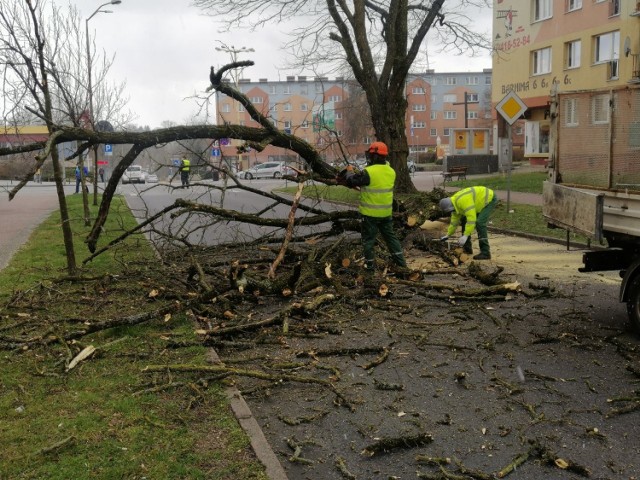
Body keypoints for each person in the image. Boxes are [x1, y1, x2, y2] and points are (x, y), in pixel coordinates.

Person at [338, 141, 407, 275]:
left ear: (375, 156)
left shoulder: (369, 172)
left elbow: (351, 181)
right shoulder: (391, 171)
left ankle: (369, 268)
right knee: (391, 238)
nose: (369, 157)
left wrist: (350, 171)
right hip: (386, 214)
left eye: (371, 155)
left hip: (370, 215)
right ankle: (402, 264)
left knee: (368, 241)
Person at [439, 186, 497, 260]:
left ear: (451, 206)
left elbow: (471, 219)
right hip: (478, 203)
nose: (451, 212)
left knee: (480, 223)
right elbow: (454, 222)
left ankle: (485, 252)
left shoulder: (463, 201)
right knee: (464, 220)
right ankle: (467, 248)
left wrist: (465, 236)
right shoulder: (454, 205)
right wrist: (448, 234)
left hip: (489, 199)